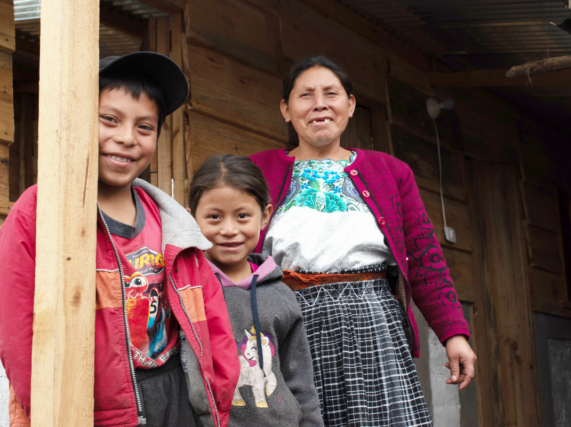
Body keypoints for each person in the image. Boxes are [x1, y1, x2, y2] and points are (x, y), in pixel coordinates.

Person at [0, 52, 239, 427]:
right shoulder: (40, 211)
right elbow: (17, 328)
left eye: (145, 127)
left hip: (176, 398)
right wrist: (48, 409)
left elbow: (211, 314)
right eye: (109, 120)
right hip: (92, 409)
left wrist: (217, 402)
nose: (126, 138)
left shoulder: (172, 221)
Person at [249, 56, 477, 426]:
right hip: (288, 321)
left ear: (350, 105)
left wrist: (453, 333)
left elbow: (423, 257)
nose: (319, 103)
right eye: (305, 95)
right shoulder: (256, 170)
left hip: (373, 319)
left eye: (331, 94)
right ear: (286, 109)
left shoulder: (390, 171)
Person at [188, 154, 323, 427]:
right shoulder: (186, 291)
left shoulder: (281, 295)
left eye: (242, 216)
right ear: (193, 219)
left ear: (264, 216)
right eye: (214, 217)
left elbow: (300, 380)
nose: (229, 229)